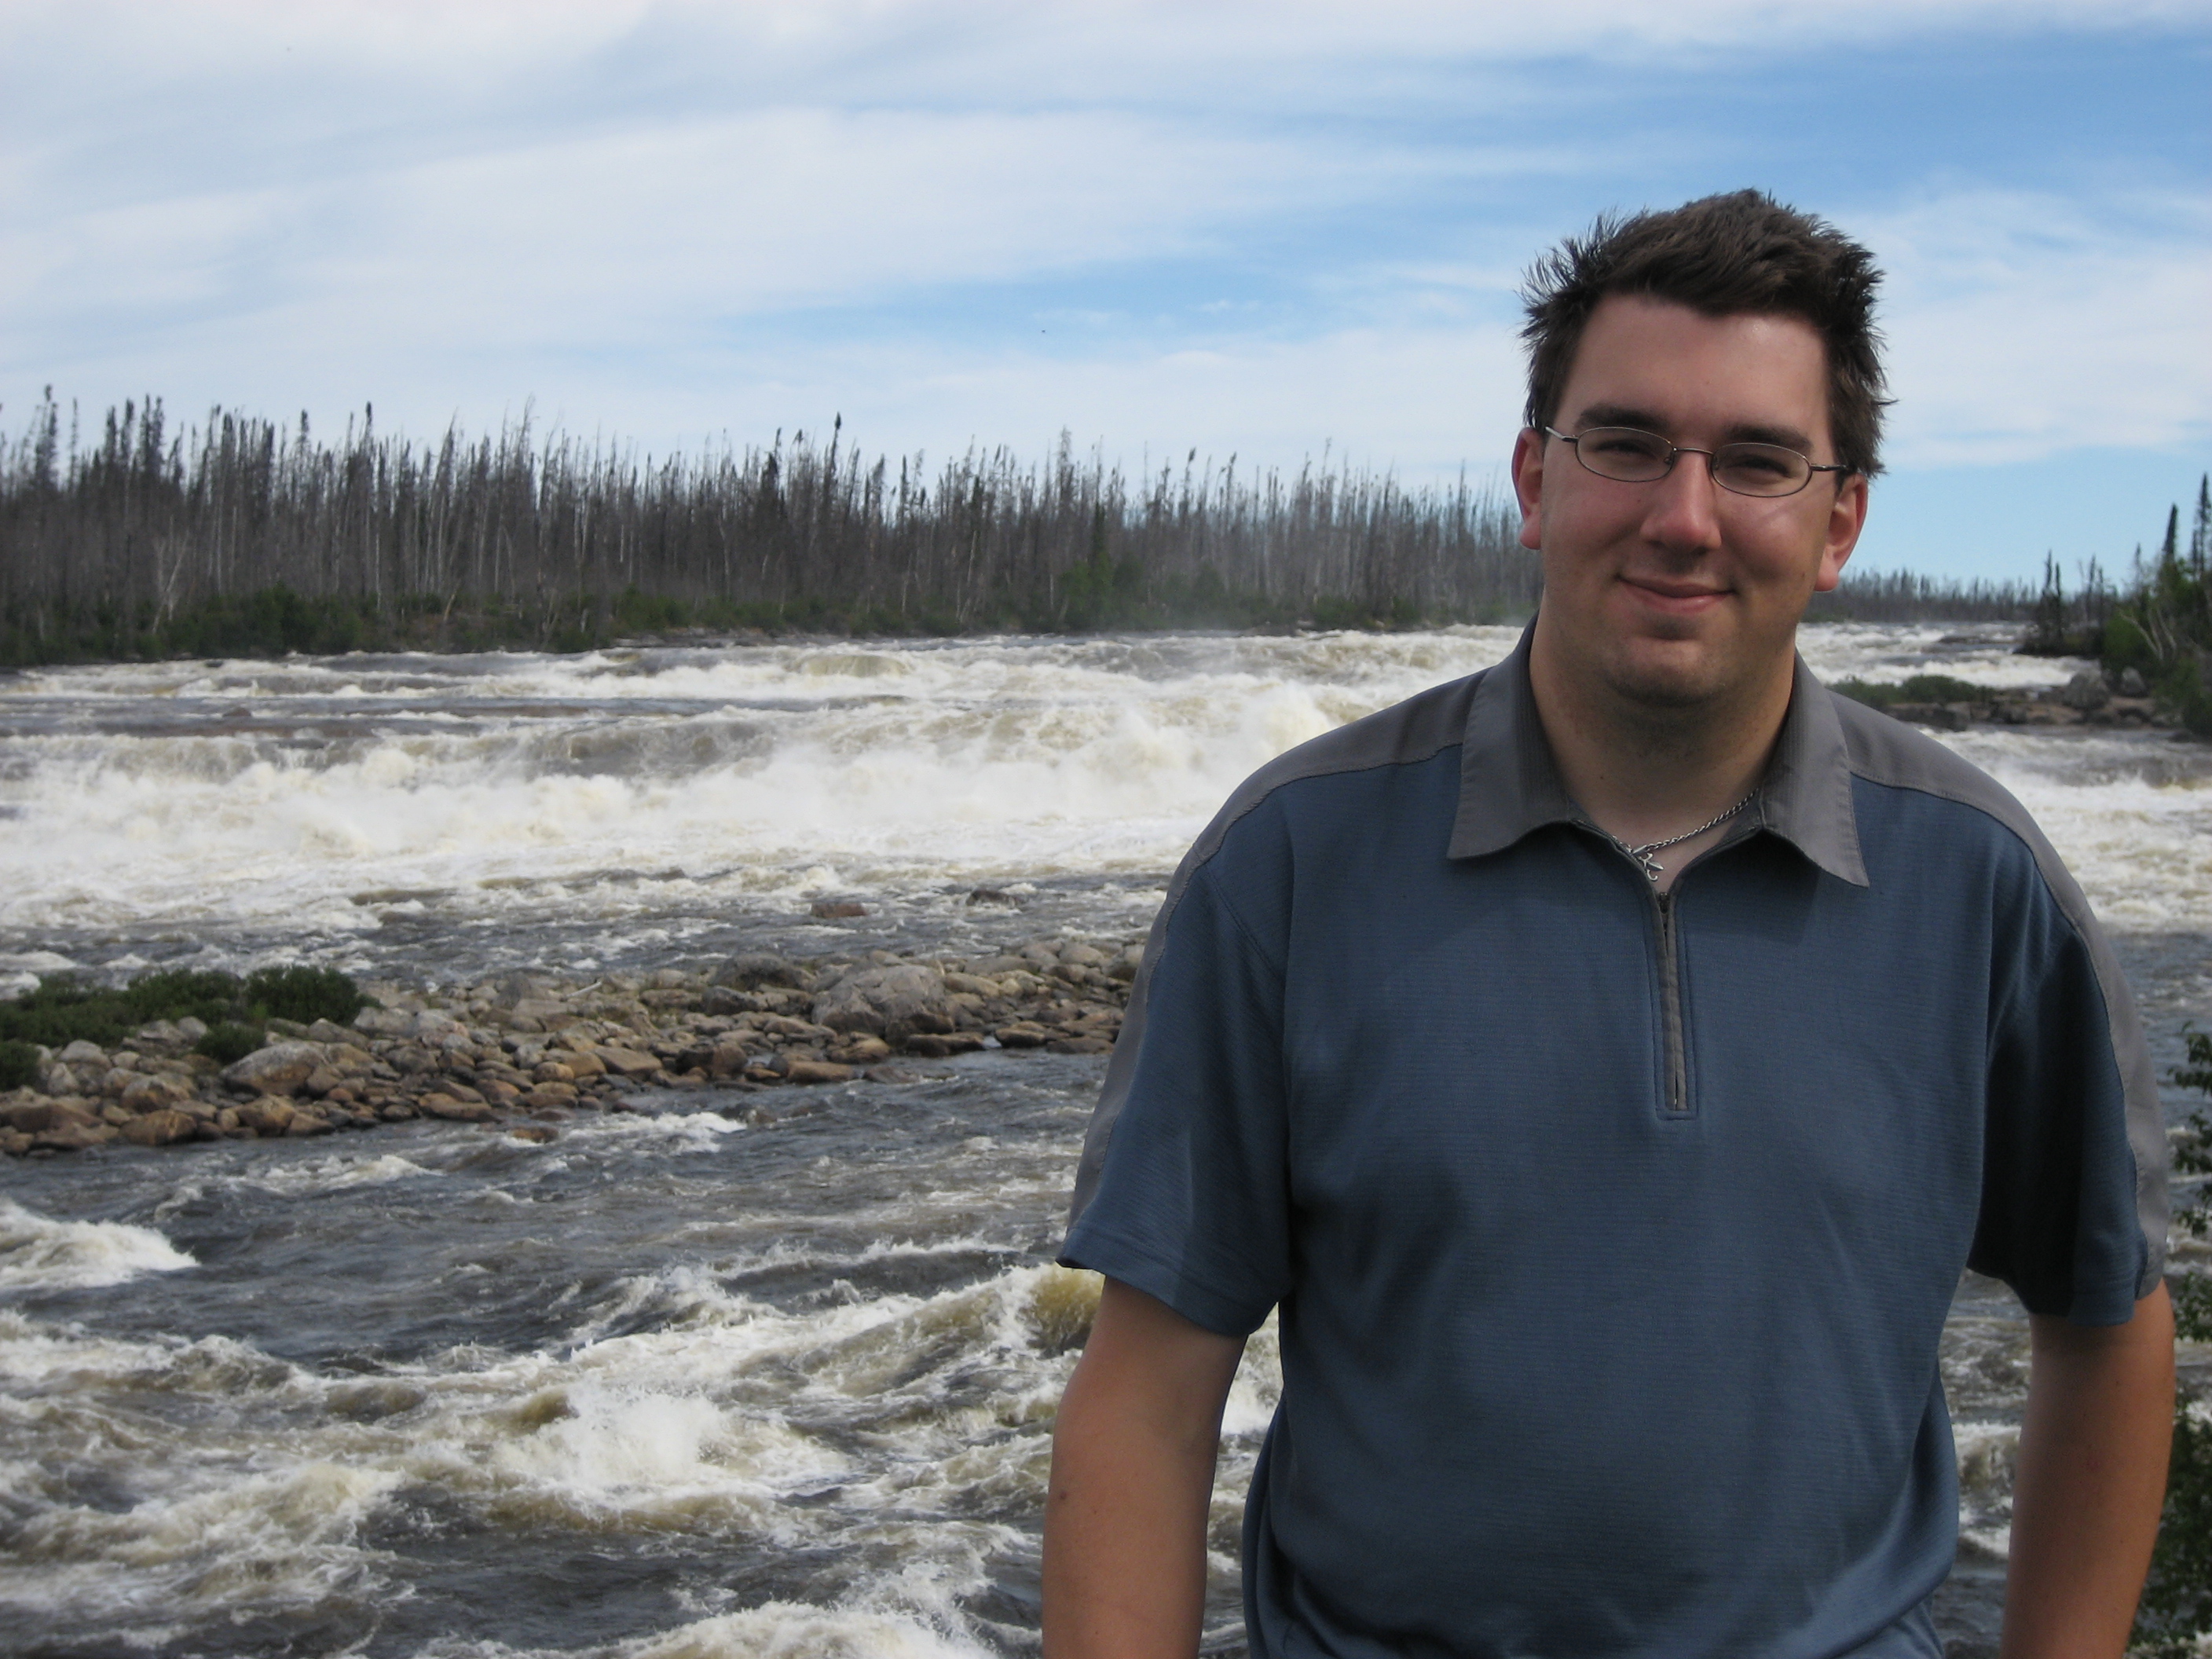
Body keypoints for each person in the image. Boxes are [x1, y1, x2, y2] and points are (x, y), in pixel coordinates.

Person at [1041, 190, 2175, 1659]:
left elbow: (2109, 1317)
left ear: (1839, 522)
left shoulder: (1978, 880)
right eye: (1626, 444)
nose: (1683, 517)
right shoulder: (1294, 861)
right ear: (1535, 480)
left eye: (1757, 463)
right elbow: (1146, 1394)